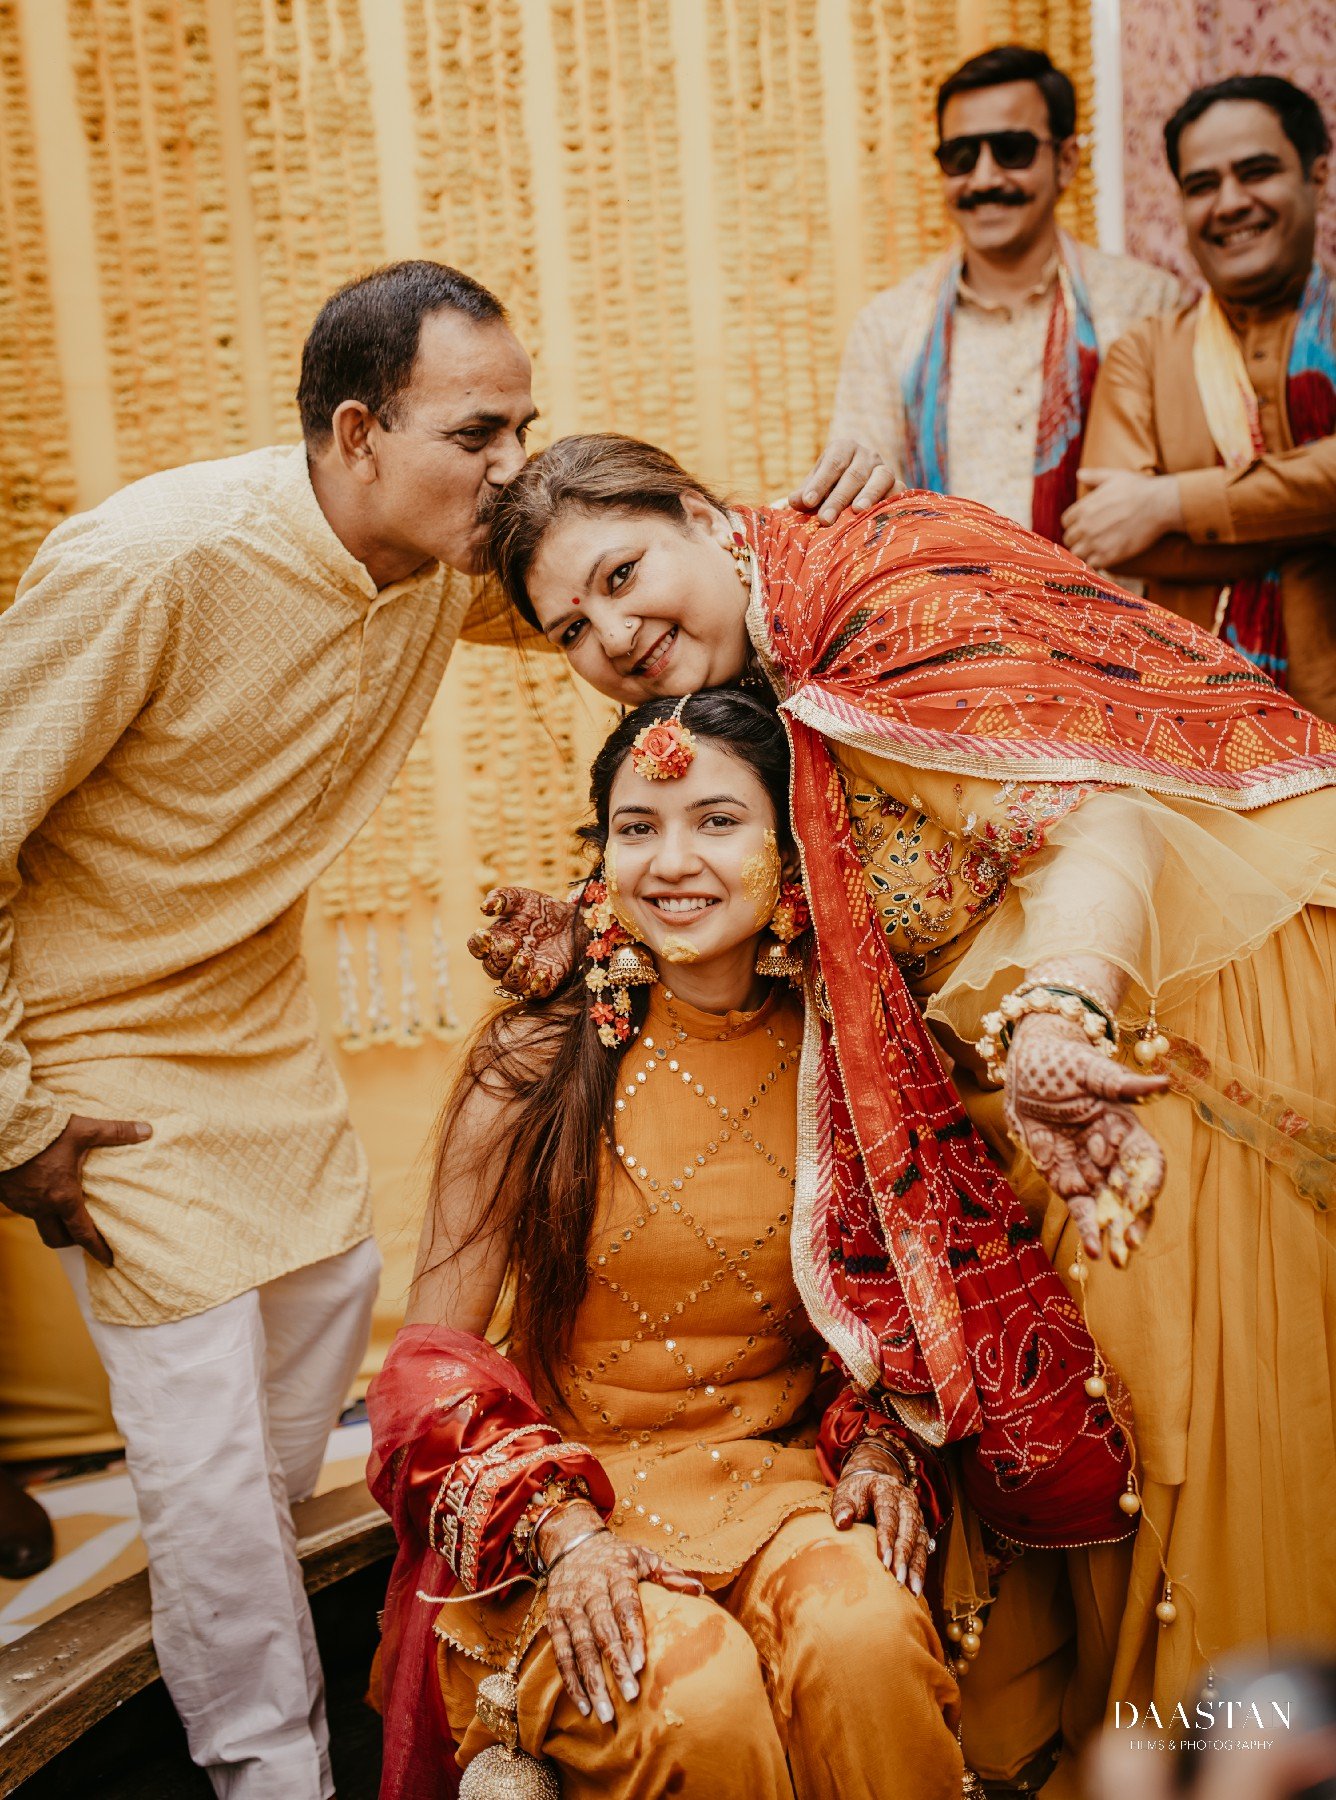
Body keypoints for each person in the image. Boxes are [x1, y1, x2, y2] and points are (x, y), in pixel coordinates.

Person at [0, 246, 891, 1788]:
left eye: (521, 427)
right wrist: (12, 1118)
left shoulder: (440, 566)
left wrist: (805, 539)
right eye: (478, 434)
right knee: (210, 1465)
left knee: (304, 1383)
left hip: (256, 1026)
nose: (513, 467)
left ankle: (265, 1675)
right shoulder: (152, 564)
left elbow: (626, 587)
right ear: (359, 435)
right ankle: (271, 1773)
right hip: (95, 1051)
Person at [475, 433, 1336, 1792]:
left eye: (623, 575)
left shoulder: (873, 618)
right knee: (1090, 1452)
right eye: (570, 628)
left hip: (1161, 1041)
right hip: (1056, 1069)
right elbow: (802, 880)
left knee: (1182, 1455)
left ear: (702, 513)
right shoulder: (781, 659)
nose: (614, 637)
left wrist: (1057, 1014)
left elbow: (1097, 827)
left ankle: (1218, 1764)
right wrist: (597, 925)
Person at [369, 687, 1133, 1800]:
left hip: (780, 1488)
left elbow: (900, 1315)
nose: (673, 861)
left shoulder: (853, 1060)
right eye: (637, 828)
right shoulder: (529, 1068)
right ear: (602, 859)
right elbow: (426, 1370)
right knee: (702, 1704)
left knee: (868, 1648)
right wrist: (562, 1531)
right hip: (568, 1505)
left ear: (793, 846)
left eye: (718, 821)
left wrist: (878, 1449)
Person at [1065, 75, 1336, 722]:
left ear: (1317, 175)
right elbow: (1115, 538)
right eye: (1202, 185)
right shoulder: (1145, 356)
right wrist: (1316, 514)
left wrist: (1170, 503)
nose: (1231, 202)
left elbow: (1145, 524)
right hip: (1205, 730)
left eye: (1257, 171)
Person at [828, 45, 1179, 540]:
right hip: (941, 589)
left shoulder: (1148, 304)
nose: (985, 178)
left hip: (1113, 589)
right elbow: (861, 512)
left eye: (1012, 150)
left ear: (1066, 161)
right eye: (961, 157)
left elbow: (1186, 491)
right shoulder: (888, 329)